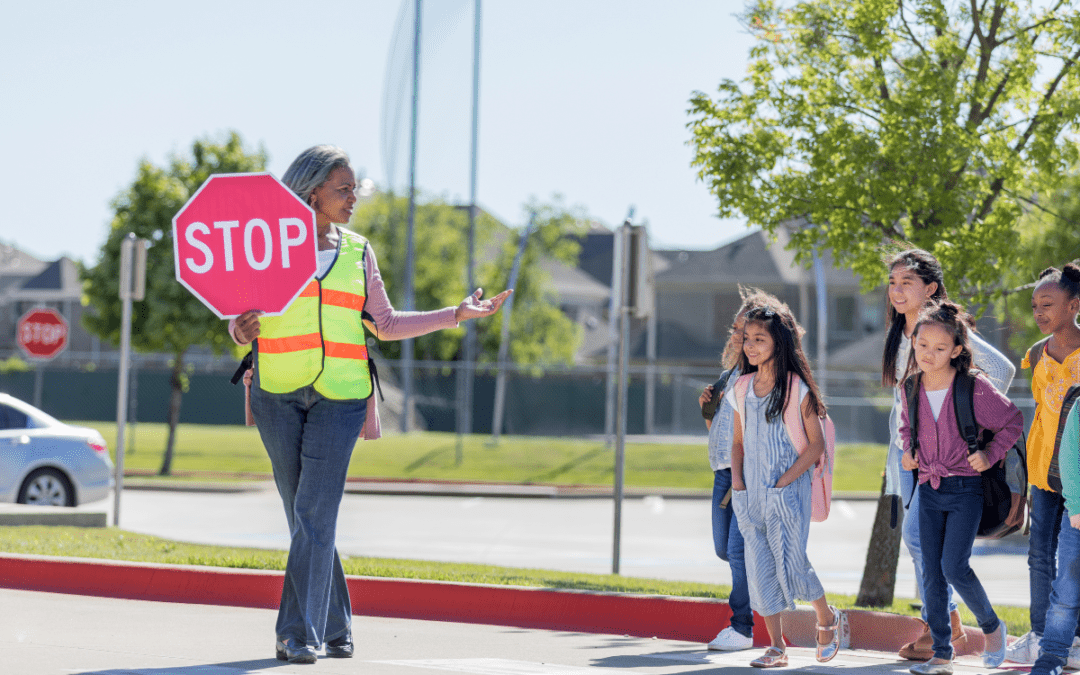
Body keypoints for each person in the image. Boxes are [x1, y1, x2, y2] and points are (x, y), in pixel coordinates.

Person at [228, 145, 511, 664]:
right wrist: (235, 327)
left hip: (342, 394)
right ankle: (337, 625)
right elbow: (237, 314)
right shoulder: (267, 245)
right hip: (277, 392)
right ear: (314, 193)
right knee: (303, 515)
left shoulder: (359, 252)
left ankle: (296, 633)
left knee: (315, 512)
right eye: (345, 189)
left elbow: (386, 324)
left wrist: (456, 313)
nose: (354, 198)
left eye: (354, 188)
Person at [880, 249, 1016, 661]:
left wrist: (969, 427)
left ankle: (946, 626)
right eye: (892, 282)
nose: (897, 290)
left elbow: (1001, 371)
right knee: (918, 541)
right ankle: (942, 629)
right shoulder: (904, 336)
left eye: (907, 282)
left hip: (954, 466)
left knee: (925, 544)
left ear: (931, 288)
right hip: (914, 457)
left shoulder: (946, 335)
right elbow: (905, 407)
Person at [726, 303, 845, 668]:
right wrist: (738, 484)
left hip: (787, 491)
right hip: (750, 496)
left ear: (779, 342)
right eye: (747, 338)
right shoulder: (742, 387)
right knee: (760, 570)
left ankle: (827, 618)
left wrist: (783, 482)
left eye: (760, 339)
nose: (750, 346)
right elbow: (738, 442)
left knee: (792, 565)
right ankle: (777, 647)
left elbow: (816, 445)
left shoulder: (796, 389)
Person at [697, 287, 783, 652]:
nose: (737, 337)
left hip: (745, 475)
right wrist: (706, 411)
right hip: (722, 471)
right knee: (725, 549)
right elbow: (721, 429)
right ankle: (759, 592)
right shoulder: (731, 374)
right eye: (737, 331)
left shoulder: (764, 377)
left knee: (737, 551)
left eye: (745, 332)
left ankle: (742, 627)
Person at [1009, 263, 1080, 665]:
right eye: (1035, 304)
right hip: (1041, 470)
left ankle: (1071, 639)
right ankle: (1039, 634)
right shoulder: (1036, 353)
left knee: (1073, 559)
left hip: (1077, 475)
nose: (1038, 312)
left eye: (1048, 304)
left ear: (1074, 305)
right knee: (1039, 554)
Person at [1031, 383, 1080, 675]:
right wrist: (1075, 506)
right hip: (1079, 516)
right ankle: (1051, 656)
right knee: (1067, 591)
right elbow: (1070, 457)